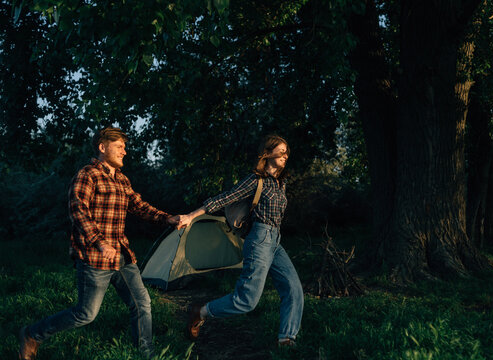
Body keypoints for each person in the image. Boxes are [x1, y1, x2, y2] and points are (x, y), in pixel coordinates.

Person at [18, 127, 180, 360]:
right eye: (119, 146)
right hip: (94, 257)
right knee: (86, 314)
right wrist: (100, 243)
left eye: (125, 147)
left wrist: (168, 218)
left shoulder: (122, 179)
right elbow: (78, 211)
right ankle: (32, 334)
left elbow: (139, 205)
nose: (124, 151)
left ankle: (146, 353)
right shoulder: (87, 174)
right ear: (102, 147)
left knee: (142, 303)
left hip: (122, 256)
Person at [178, 134, 304, 347]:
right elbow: (224, 198)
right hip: (260, 239)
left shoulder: (281, 183)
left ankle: (286, 339)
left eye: (287, 152)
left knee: (293, 288)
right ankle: (201, 311)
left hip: (276, 240)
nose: (285, 155)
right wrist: (191, 216)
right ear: (267, 153)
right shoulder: (256, 180)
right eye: (281, 151)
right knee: (247, 300)